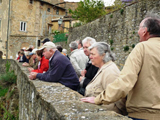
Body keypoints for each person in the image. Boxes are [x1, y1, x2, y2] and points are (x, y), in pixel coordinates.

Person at [81, 13, 160, 120]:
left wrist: (98, 99)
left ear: (145, 31)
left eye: (139, 28)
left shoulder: (142, 48)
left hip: (144, 113)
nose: (137, 32)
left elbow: (125, 81)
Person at [83, 42, 126, 114]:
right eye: (90, 54)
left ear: (103, 55)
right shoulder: (103, 68)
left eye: (93, 54)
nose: (90, 57)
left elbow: (118, 102)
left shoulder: (110, 71)